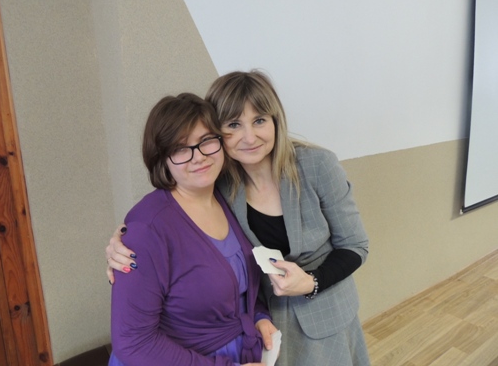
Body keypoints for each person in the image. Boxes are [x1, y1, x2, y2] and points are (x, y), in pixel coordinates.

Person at [107, 71, 370, 366]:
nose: (250, 137)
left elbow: (356, 244)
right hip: (266, 330)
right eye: (234, 124)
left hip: (323, 317)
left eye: (259, 120)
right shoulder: (219, 183)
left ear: (275, 121)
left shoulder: (315, 166)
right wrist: (123, 241)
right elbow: (163, 222)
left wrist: (311, 282)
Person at [107, 93, 276, 366]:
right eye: (180, 148)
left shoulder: (228, 198)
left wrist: (258, 316)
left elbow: (238, 285)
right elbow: (133, 343)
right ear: (161, 158)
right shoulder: (147, 229)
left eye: (206, 140)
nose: (198, 157)